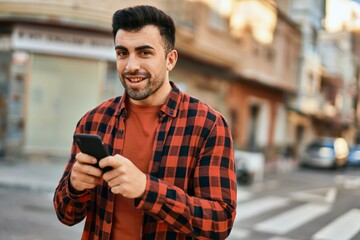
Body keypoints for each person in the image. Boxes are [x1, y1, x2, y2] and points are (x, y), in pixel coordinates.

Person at [53, 5, 237, 240]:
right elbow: (65, 214)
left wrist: (146, 189)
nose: (131, 66)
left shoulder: (208, 125)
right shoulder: (93, 121)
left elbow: (219, 223)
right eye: (122, 53)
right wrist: (75, 186)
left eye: (144, 53)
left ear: (170, 59)